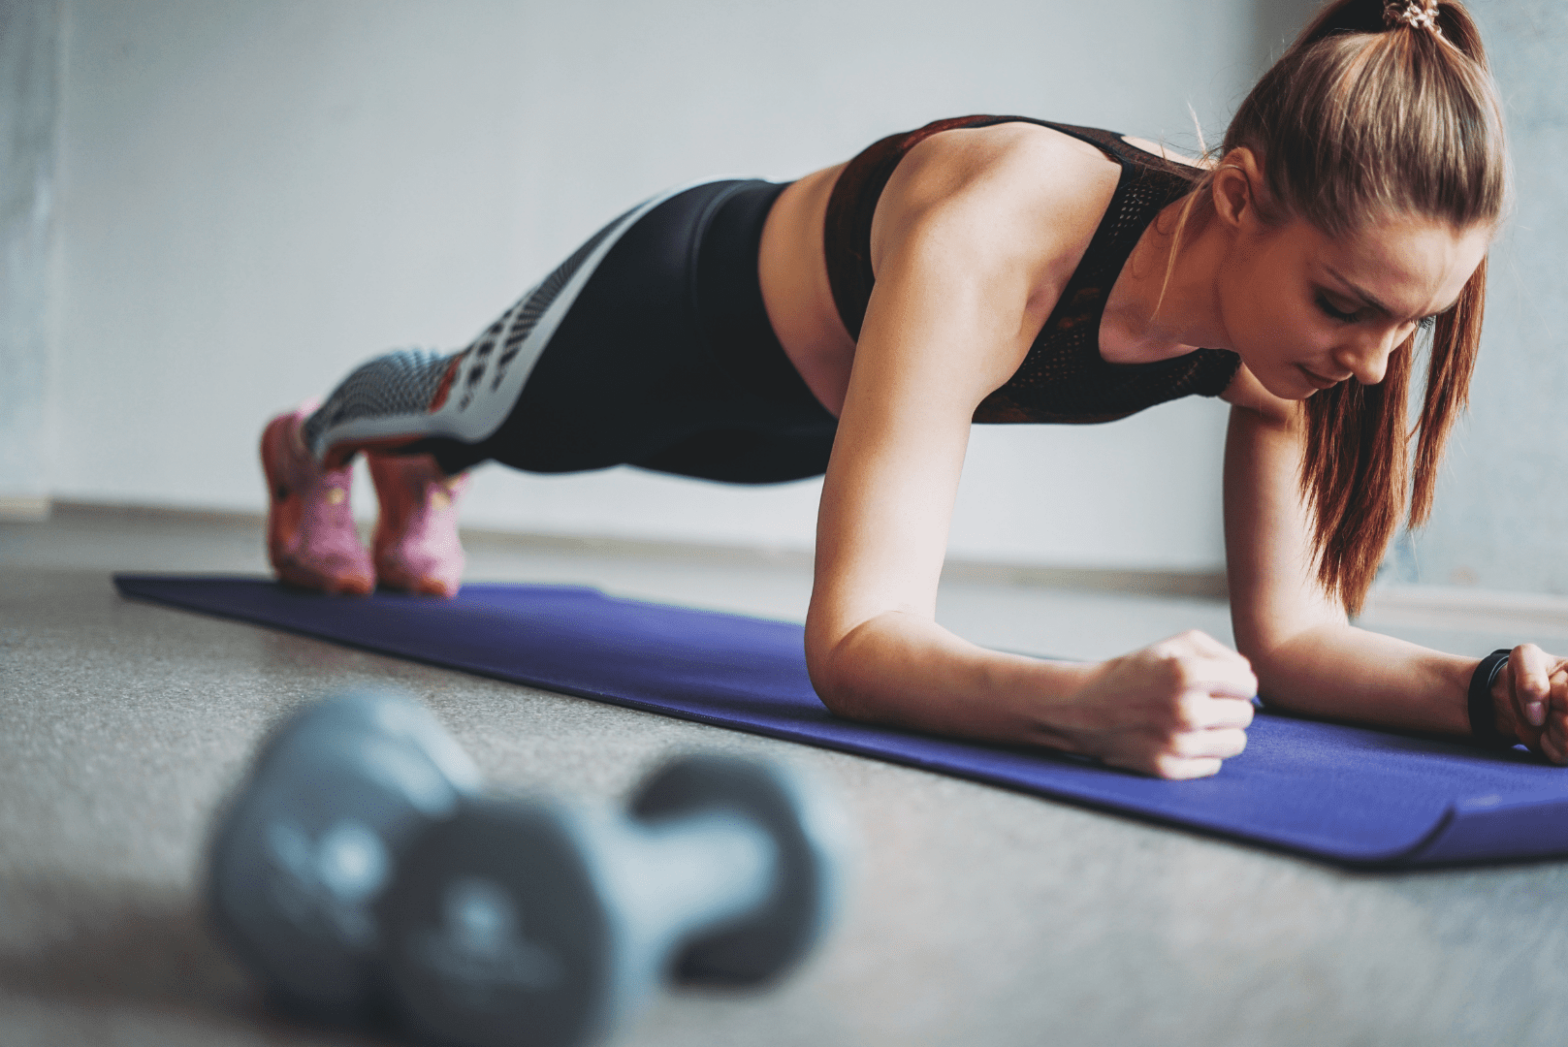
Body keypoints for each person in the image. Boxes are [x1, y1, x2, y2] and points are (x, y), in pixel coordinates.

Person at [261, 0, 1568, 778]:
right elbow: (855, 642)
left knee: (517, 442)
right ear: (1237, 195)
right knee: (474, 405)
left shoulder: (1292, 350)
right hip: (678, 308)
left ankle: (420, 474)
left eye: (1416, 324)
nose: (1374, 363)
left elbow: (1294, 640)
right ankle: (326, 445)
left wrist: (1494, 689)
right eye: (1349, 306)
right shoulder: (1001, 233)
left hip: (805, 422)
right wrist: (1077, 703)